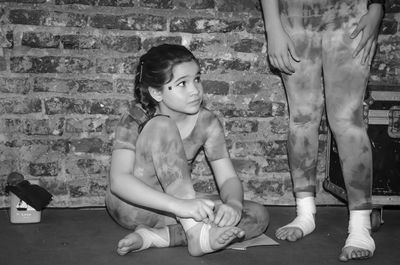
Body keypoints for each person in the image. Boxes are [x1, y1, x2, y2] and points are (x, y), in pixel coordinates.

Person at [105, 44, 269, 257]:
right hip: (133, 206)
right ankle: (195, 230)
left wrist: (234, 206)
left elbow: (228, 178)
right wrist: (182, 206)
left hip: (174, 212)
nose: (195, 90)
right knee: (162, 124)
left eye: (197, 79)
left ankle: (156, 237)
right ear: (156, 92)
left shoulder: (206, 121)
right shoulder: (136, 118)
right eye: (182, 83)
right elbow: (119, 182)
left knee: (257, 215)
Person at [260, 0, 384, 262]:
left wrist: (377, 7)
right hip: (293, 13)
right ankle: (305, 214)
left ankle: (360, 226)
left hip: (350, 10)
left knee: (347, 120)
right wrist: (272, 26)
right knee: (302, 117)